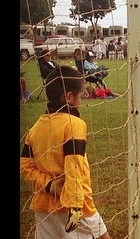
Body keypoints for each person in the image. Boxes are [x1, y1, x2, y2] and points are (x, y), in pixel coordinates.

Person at [19, 65, 111, 239]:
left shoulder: (35, 128)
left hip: (43, 207)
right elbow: (74, 167)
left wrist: (48, 185)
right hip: (75, 206)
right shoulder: (74, 124)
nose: (83, 99)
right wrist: (75, 206)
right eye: (82, 94)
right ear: (69, 97)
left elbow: (25, 166)